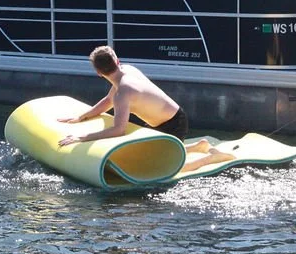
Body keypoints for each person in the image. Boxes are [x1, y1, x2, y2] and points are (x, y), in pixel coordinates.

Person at [57, 46, 234, 170]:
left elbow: (119, 129)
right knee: (143, 157)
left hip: (174, 124)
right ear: (117, 61)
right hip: (164, 122)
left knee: (160, 168)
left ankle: (212, 157)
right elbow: (107, 101)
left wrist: (82, 137)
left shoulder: (123, 93)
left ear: (98, 73)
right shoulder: (127, 70)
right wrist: (82, 117)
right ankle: (197, 146)